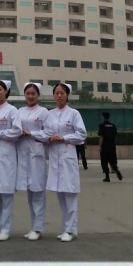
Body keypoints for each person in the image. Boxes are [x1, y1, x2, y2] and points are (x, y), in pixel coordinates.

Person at [45, 83, 87, 243]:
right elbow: (46, 132)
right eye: (56, 93)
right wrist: (48, 137)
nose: (59, 95)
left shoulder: (74, 113)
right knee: (60, 195)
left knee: (70, 194)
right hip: (55, 157)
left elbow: (81, 134)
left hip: (67, 155)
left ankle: (70, 230)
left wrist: (64, 138)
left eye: (62, 93)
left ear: (67, 95)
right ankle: (67, 229)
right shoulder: (50, 114)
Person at [0, 80, 22, 241]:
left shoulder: (12, 110)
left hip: (7, 153)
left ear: (6, 91)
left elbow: (17, 130)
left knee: (6, 192)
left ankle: (6, 229)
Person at [16, 82, 50, 241]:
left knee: (38, 192)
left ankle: (38, 228)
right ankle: (33, 227)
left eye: (33, 93)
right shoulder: (19, 111)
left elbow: (48, 133)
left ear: (38, 95)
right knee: (30, 193)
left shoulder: (44, 112)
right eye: (27, 93)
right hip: (23, 154)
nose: (30, 96)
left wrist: (31, 133)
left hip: (36, 154)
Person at [98, 112, 121, 182]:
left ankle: (107, 177)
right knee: (112, 160)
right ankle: (116, 170)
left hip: (105, 146)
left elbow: (101, 136)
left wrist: (100, 146)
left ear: (103, 117)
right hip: (112, 145)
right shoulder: (113, 125)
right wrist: (114, 144)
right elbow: (115, 136)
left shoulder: (102, 125)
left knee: (104, 161)